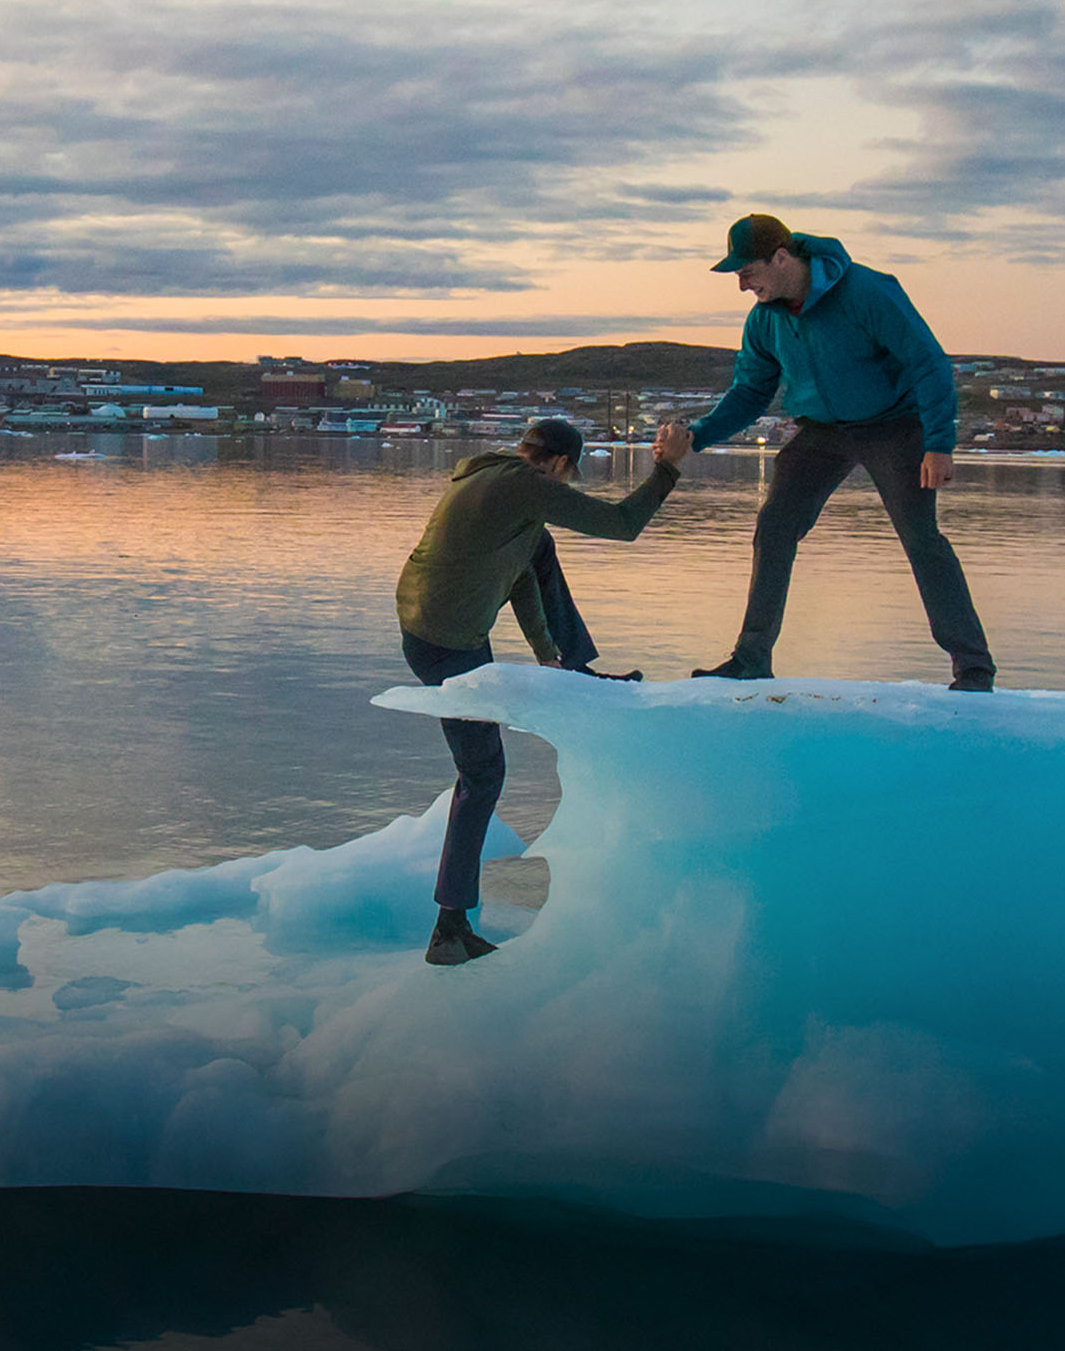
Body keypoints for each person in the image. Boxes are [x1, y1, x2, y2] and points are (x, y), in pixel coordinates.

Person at [395, 414, 689, 965]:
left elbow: (525, 569)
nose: (566, 486)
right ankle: (449, 930)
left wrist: (549, 659)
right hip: (445, 642)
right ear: (555, 464)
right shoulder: (524, 485)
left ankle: (573, 665)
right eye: (569, 476)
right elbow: (623, 523)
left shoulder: (498, 482)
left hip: (436, 628)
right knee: (482, 774)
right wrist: (667, 468)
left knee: (542, 547)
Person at [685, 213, 995, 691]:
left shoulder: (866, 292)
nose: (742, 286)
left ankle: (973, 667)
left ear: (782, 258)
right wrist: (697, 436)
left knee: (921, 539)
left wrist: (938, 444)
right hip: (822, 432)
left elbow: (927, 362)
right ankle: (751, 659)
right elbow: (750, 392)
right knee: (775, 526)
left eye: (747, 272)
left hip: (894, 426)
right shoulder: (765, 320)